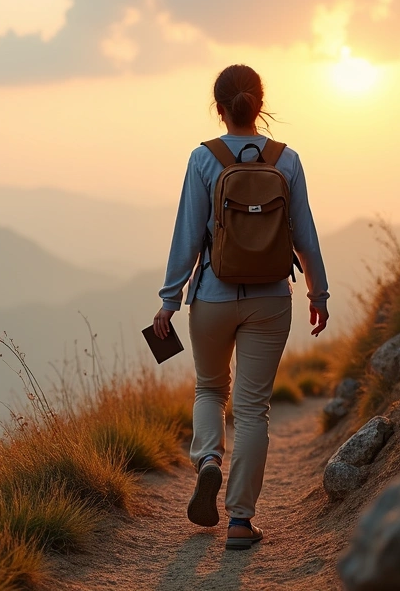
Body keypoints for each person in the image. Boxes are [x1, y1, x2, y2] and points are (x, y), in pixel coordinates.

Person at [152, 64, 330, 551]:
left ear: (219, 108)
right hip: (270, 299)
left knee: (210, 389)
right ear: (260, 103)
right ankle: (239, 522)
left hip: (212, 295)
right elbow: (305, 236)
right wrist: (318, 294)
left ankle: (208, 460)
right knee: (253, 410)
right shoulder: (286, 159)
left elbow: (188, 235)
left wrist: (169, 300)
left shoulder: (203, 159)